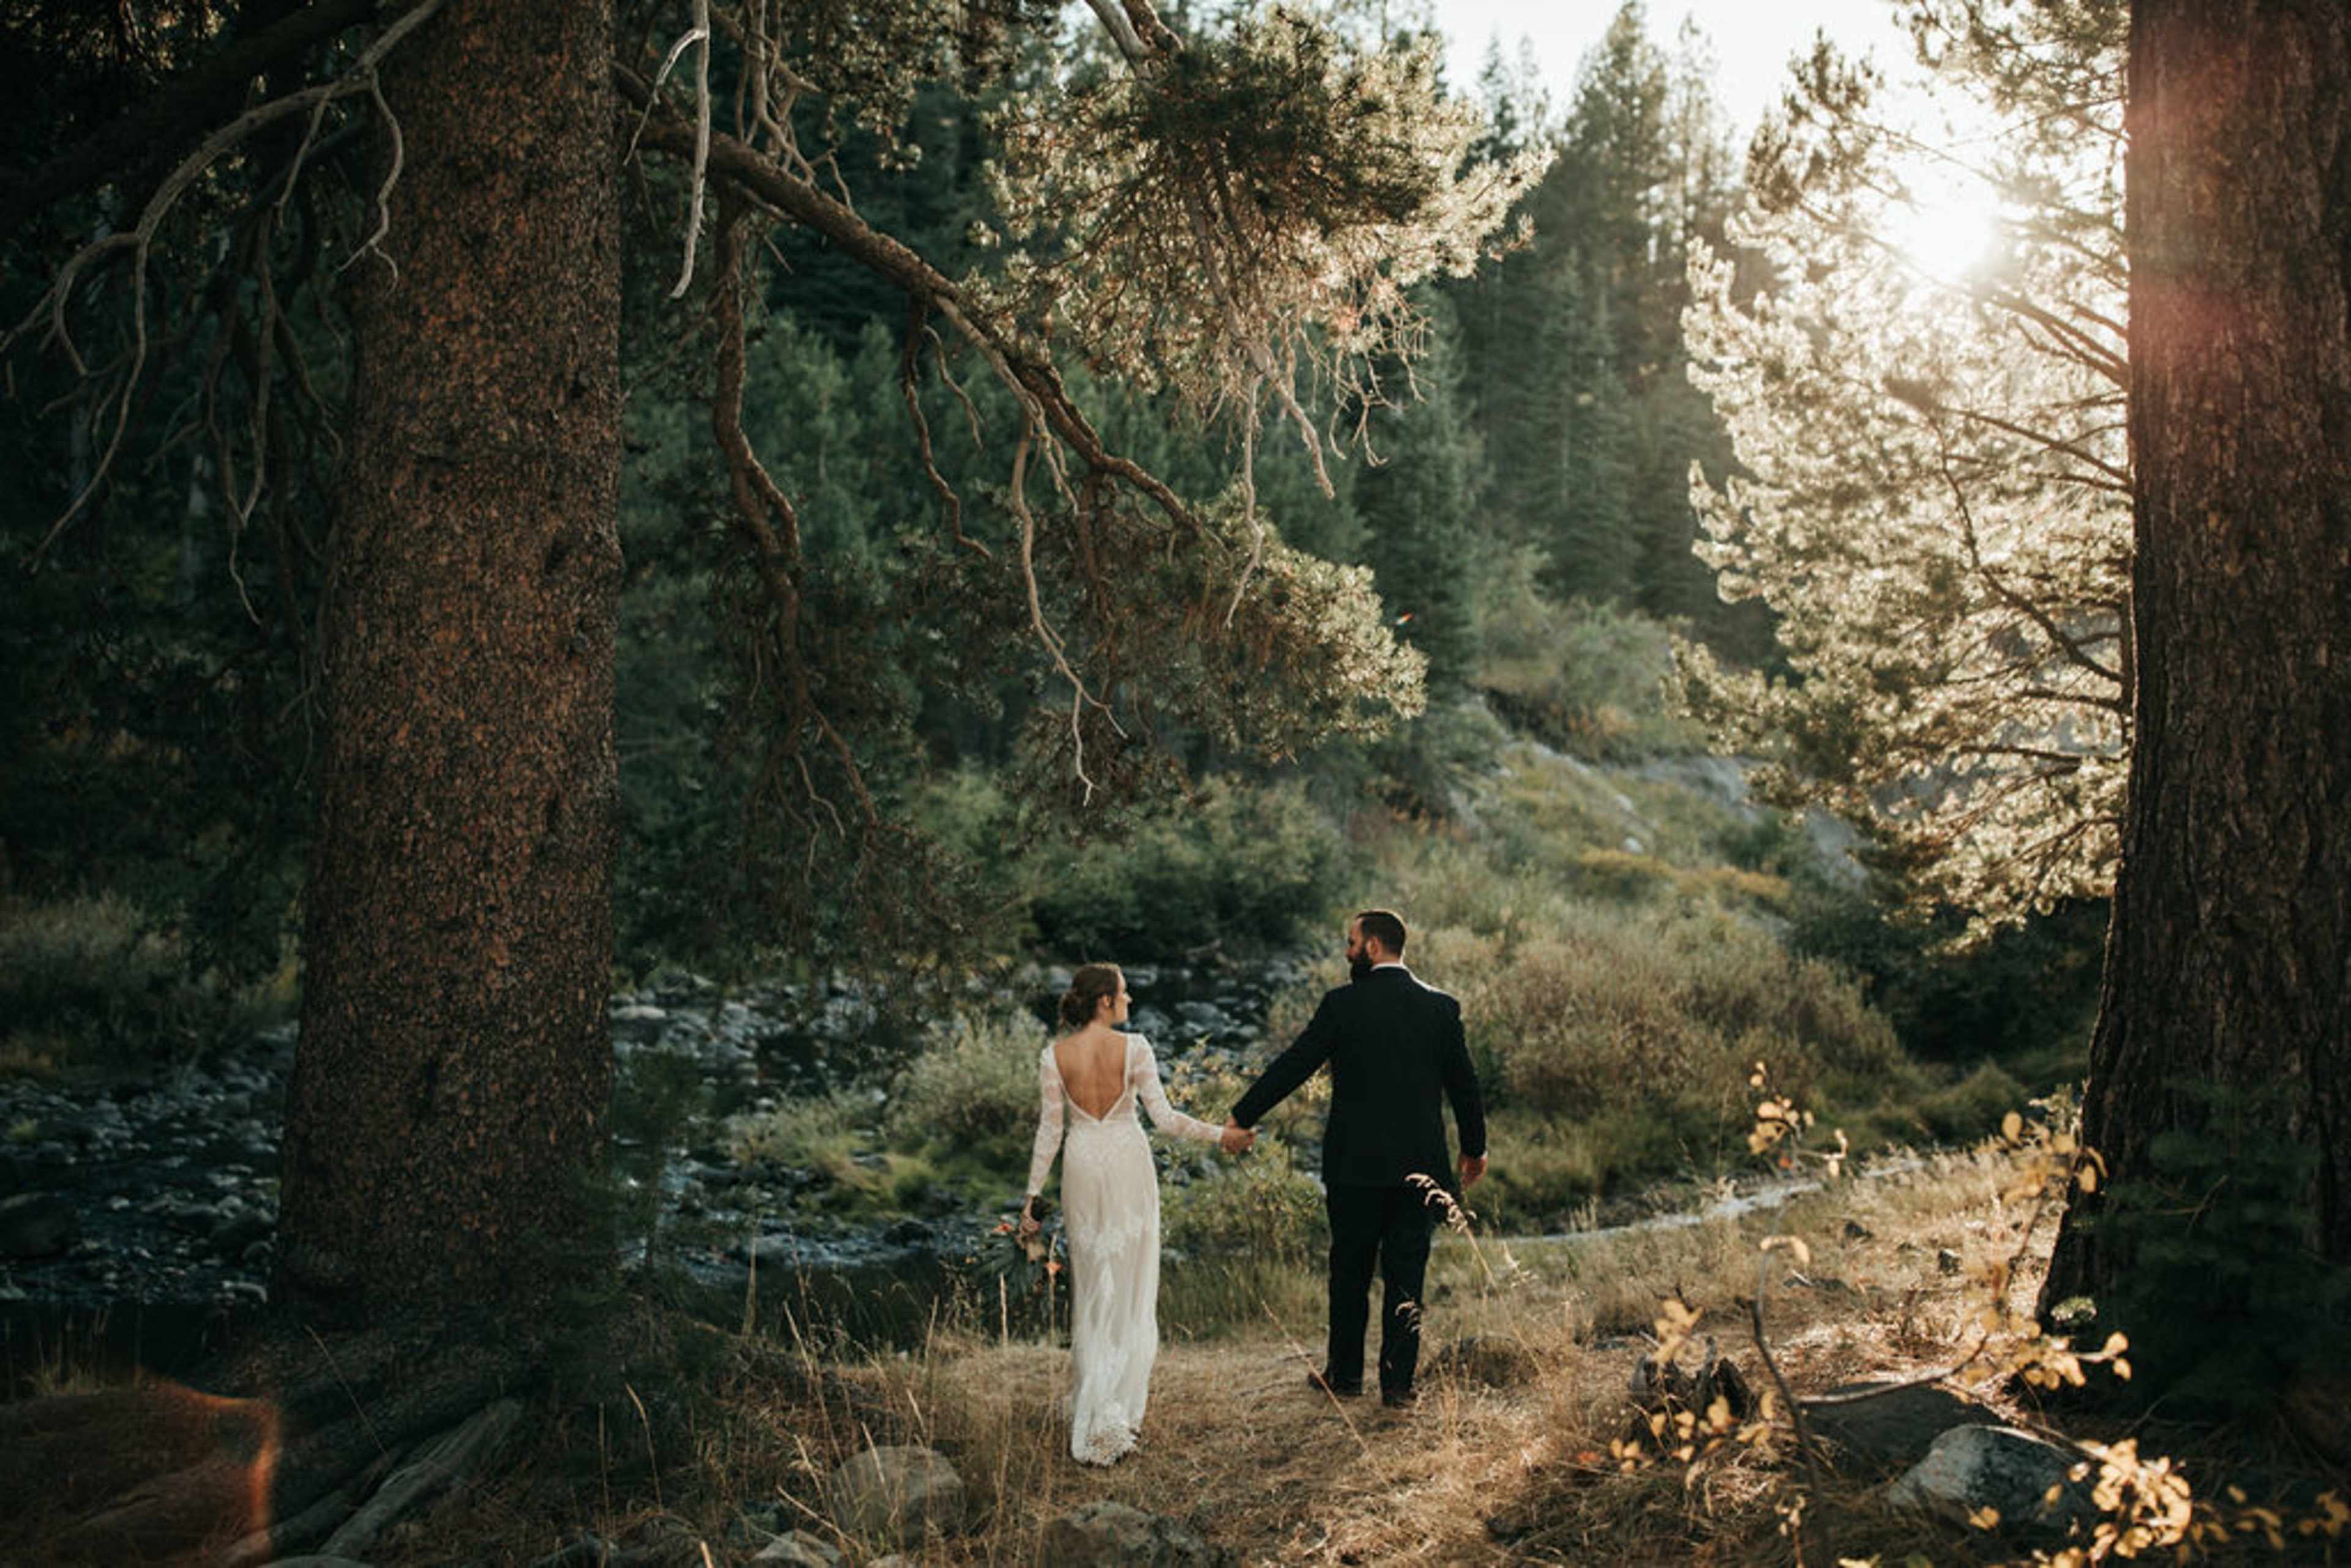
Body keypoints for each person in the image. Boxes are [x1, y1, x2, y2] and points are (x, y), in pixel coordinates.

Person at [1224, 909, 1485, 1408]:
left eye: (1350, 942)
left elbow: (1295, 1064)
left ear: (1372, 947)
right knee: (1408, 1272)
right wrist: (1475, 1149)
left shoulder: (1341, 1005)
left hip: (1354, 1166)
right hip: (1421, 1167)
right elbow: (1465, 1086)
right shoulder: (1440, 1008)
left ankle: (1344, 1375)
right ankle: (1398, 1385)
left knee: (1350, 1269)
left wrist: (1243, 1114)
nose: (1345, 951)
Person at [1021, 962, 1232, 1465]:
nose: (1130, 1000)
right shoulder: (1135, 1048)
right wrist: (1222, 1135)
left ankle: (1093, 1395)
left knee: (1094, 1280)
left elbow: (1051, 1132)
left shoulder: (1054, 1055)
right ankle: (1107, 1407)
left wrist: (1032, 1196)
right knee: (1131, 1280)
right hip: (1127, 1163)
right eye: (1124, 993)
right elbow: (1165, 1119)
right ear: (1104, 1001)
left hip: (1082, 1165)